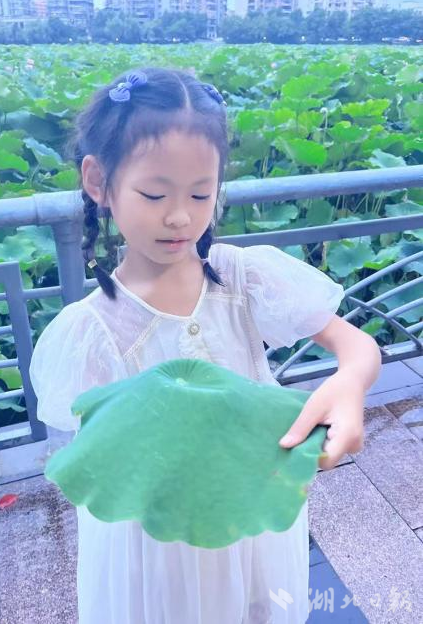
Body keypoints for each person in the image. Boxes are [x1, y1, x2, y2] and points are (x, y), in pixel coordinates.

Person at [29, 67, 382, 624]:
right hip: (156, 548)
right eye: (154, 193)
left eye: (201, 193)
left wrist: (349, 384)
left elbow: (358, 346)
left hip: (253, 518)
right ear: (98, 181)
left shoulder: (243, 277)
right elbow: (98, 462)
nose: (180, 216)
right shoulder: (90, 330)